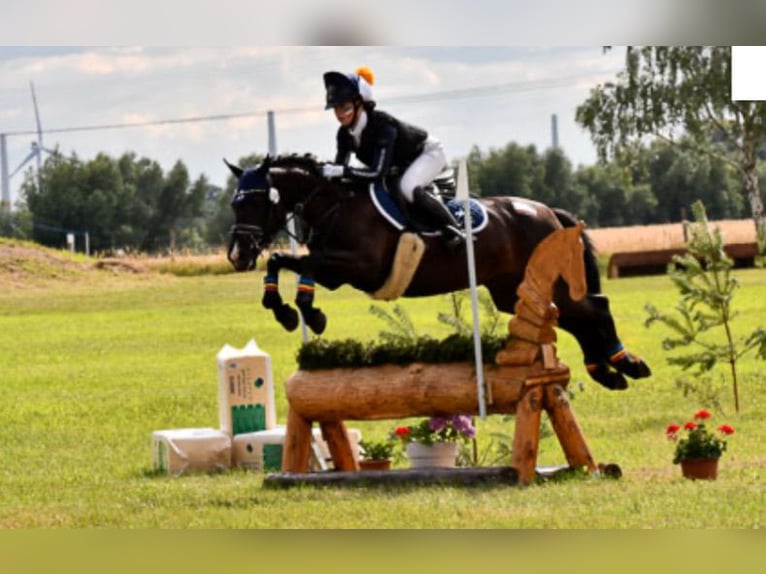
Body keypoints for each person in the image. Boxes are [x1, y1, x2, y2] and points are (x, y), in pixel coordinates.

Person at [321, 67, 465, 249]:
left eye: (345, 107)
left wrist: (343, 170)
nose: (340, 114)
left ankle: (454, 229)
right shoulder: (344, 134)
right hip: (401, 164)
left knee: (408, 187)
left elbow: (376, 173)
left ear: (360, 103)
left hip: (427, 153)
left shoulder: (382, 126)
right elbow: (340, 170)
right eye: (336, 109)